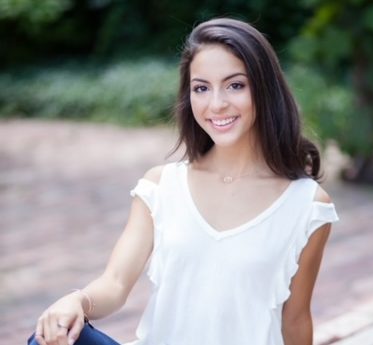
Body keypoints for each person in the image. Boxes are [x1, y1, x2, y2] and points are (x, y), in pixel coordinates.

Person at [31, 17, 338, 345]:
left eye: (235, 85)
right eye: (201, 88)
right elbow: (115, 283)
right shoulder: (161, 186)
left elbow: (295, 321)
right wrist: (76, 301)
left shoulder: (307, 206)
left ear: (264, 90)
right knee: (51, 338)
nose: (216, 104)